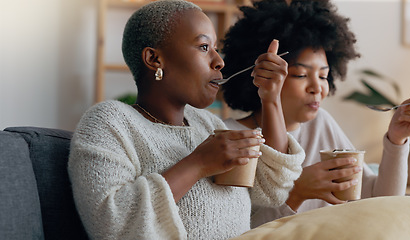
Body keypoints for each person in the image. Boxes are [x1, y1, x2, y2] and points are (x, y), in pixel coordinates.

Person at [67, 0, 305, 239]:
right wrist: (198, 164)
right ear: (154, 59)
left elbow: (273, 187)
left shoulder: (209, 124)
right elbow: (111, 224)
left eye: (215, 48)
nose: (219, 61)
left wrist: (271, 99)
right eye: (203, 47)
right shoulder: (109, 122)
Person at [220, 0, 410, 228]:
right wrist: (297, 192)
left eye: (323, 76)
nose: (317, 87)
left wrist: (396, 139)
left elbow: (381, 201)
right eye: (301, 75)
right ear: (263, 75)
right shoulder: (231, 138)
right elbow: (239, 232)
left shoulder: (321, 124)